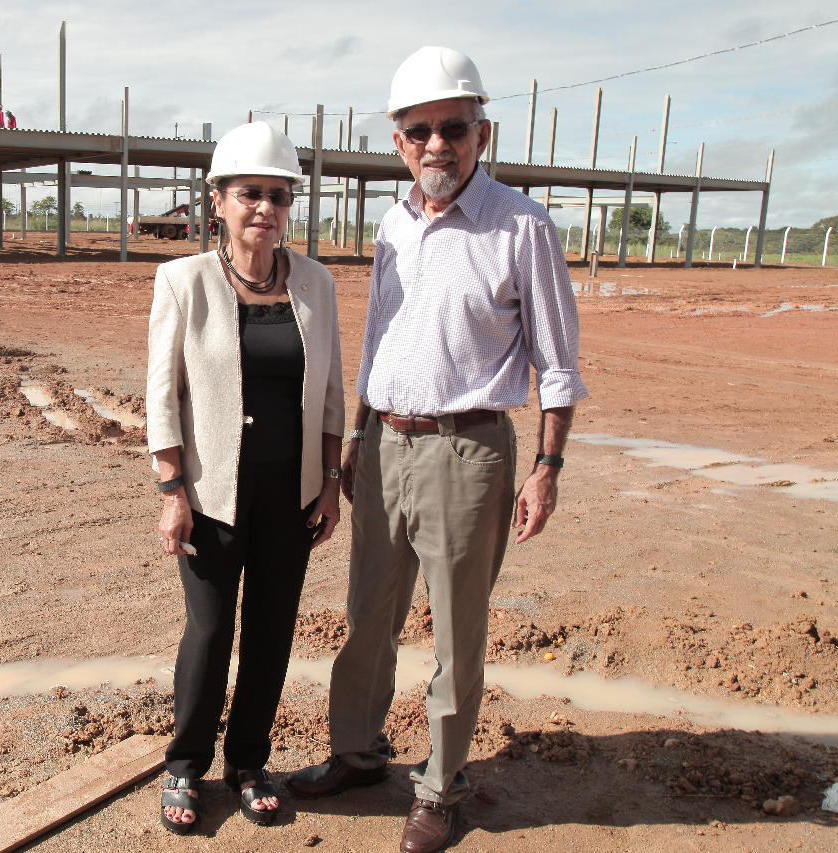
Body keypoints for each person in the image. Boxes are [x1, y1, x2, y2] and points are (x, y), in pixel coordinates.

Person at [284, 46, 588, 853]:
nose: (437, 145)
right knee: (367, 615)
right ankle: (357, 753)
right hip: (383, 444)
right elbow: (381, 340)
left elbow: (557, 362)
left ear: (482, 133)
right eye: (419, 131)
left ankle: (442, 786)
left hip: (468, 452)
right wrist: (357, 435)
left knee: (456, 630)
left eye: (453, 127)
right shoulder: (394, 224)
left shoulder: (521, 226)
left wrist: (547, 467)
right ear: (398, 143)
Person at [147, 121, 345, 835]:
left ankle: (249, 762)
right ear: (218, 200)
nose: (265, 207)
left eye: (278, 195)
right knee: (209, 631)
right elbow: (162, 395)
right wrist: (172, 491)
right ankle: (184, 764)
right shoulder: (184, 281)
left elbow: (330, 394)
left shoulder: (316, 283)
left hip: (290, 494)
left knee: (271, 629)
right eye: (249, 193)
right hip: (212, 495)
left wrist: (329, 482)